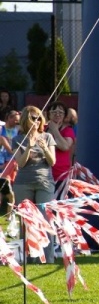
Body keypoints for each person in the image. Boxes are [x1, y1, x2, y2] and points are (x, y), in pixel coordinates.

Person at [12, 105, 56, 263]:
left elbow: (52, 162)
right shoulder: (17, 140)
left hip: (44, 182)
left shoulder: (48, 137)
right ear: (25, 120)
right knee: (26, 221)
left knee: (45, 219)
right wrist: (29, 147)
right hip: (23, 183)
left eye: (38, 118)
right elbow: (20, 163)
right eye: (32, 118)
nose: (36, 121)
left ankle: (48, 258)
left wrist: (45, 149)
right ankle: (29, 258)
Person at [45, 101, 76, 190]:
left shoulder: (68, 130)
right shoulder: (43, 129)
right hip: (44, 173)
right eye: (54, 112)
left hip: (61, 174)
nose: (57, 114)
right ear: (49, 114)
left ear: (64, 115)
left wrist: (55, 130)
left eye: (61, 112)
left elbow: (65, 147)